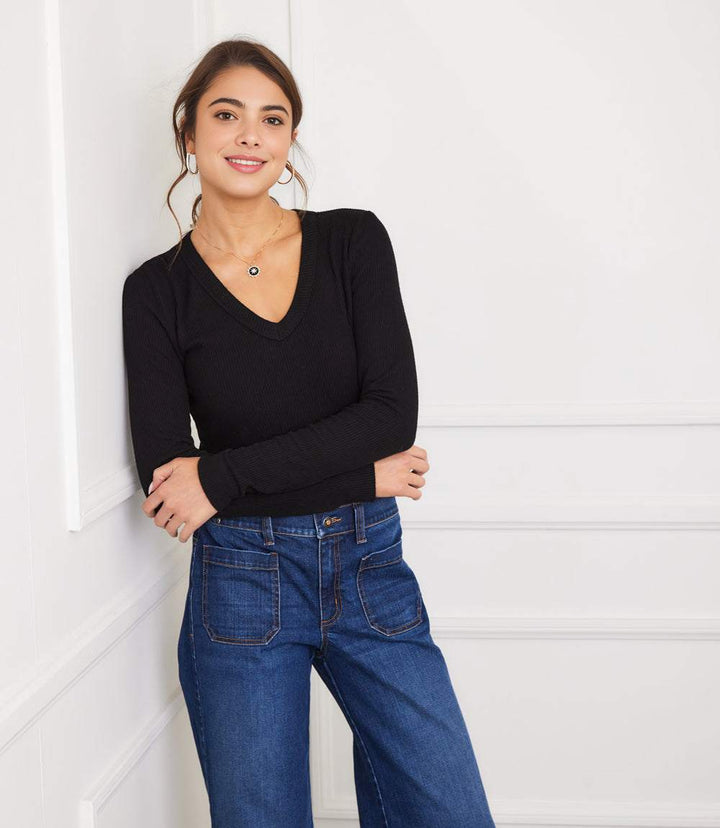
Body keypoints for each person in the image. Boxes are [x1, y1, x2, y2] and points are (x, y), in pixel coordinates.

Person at [122, 37, 496, 828]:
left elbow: (390, 417)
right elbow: (168, 486)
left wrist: (220, 478)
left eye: (272, 118)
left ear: (291, 143)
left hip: (368, 569)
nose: (249, 135)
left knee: (451, 811)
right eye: (227, 115)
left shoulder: (353, 242)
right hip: (241, 587)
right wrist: (363, 474)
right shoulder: (157, 293)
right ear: (191, 133)